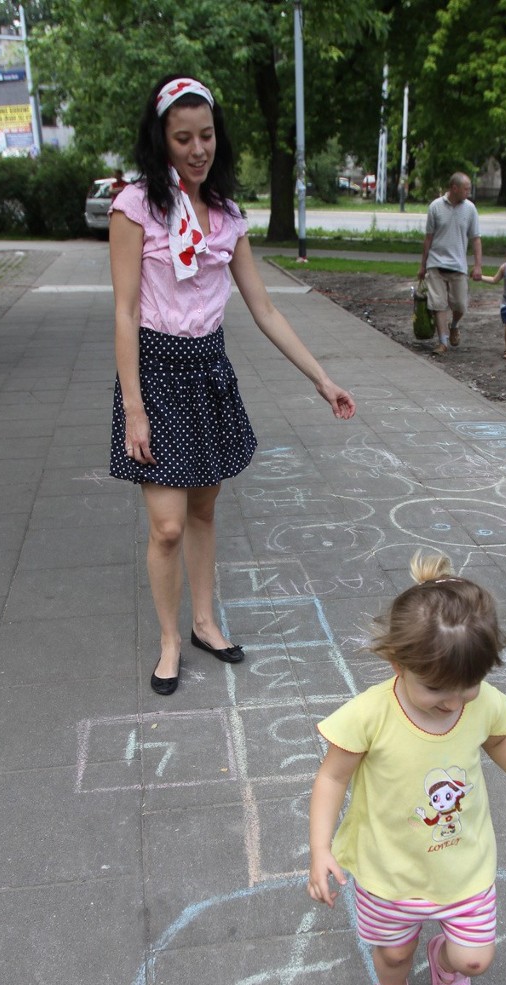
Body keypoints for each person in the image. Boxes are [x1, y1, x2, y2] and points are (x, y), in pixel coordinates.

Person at [109, 75, 355, 695]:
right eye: (183, 137)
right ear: (161, 138)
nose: (198, 149)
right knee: (166, 524)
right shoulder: (135, 207)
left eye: (207, 135)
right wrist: (134, 406)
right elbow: (124, 310)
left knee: (203, 508)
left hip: (209, 370)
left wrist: (321, 379)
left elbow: (265, 309)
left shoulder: (226, 215)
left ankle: (203, 621)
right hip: (157, 373)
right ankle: (169, 641)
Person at [308, 552, 506, 985]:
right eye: (436, 691)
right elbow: (332, 776)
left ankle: (446, 965)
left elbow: (500, 737)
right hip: (390, 866)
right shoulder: (370, 714)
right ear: (396, 664)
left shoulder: (480, 700)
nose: (454, 703)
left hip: (462, 863)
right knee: (392, 952)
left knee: (475, 957)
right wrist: (320, 847)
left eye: (466, 689)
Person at [418, 173, 482, 356]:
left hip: (458, 265)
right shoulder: (435, 207)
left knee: (460, 305)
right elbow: (428, 238)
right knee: (438, 304)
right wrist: (423, 265)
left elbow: (476, 239)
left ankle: (453, 325)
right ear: (454, 188)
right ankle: (442, 342)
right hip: (436, 263)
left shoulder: (470, 209)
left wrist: (477, 265)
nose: (469, 192)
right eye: (466, 188)